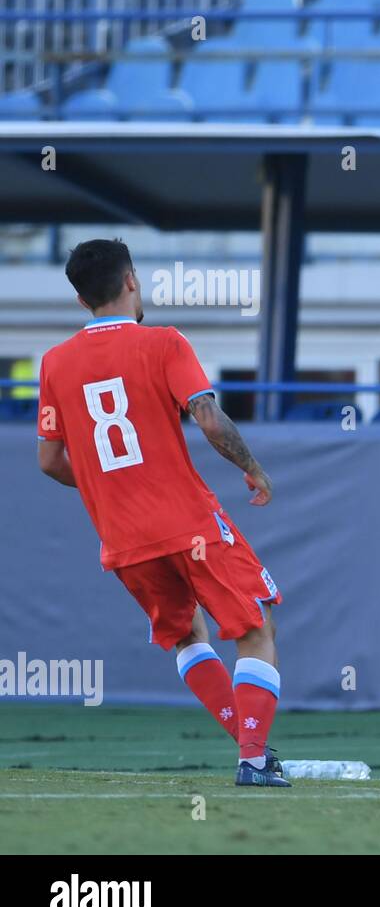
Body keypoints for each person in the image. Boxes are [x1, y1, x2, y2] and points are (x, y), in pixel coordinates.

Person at [36, 238, 290, 787]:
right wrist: (253, 468)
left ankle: (255, 753)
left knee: (186, 636)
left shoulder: (55, 363)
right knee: (256, 624)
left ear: (82, 302)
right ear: (131, 280)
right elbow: (210, 419)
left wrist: (111, 487)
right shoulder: (164, 342)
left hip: (122, 538)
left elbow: (50, 460)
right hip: (188, 521)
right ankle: (252, 758)